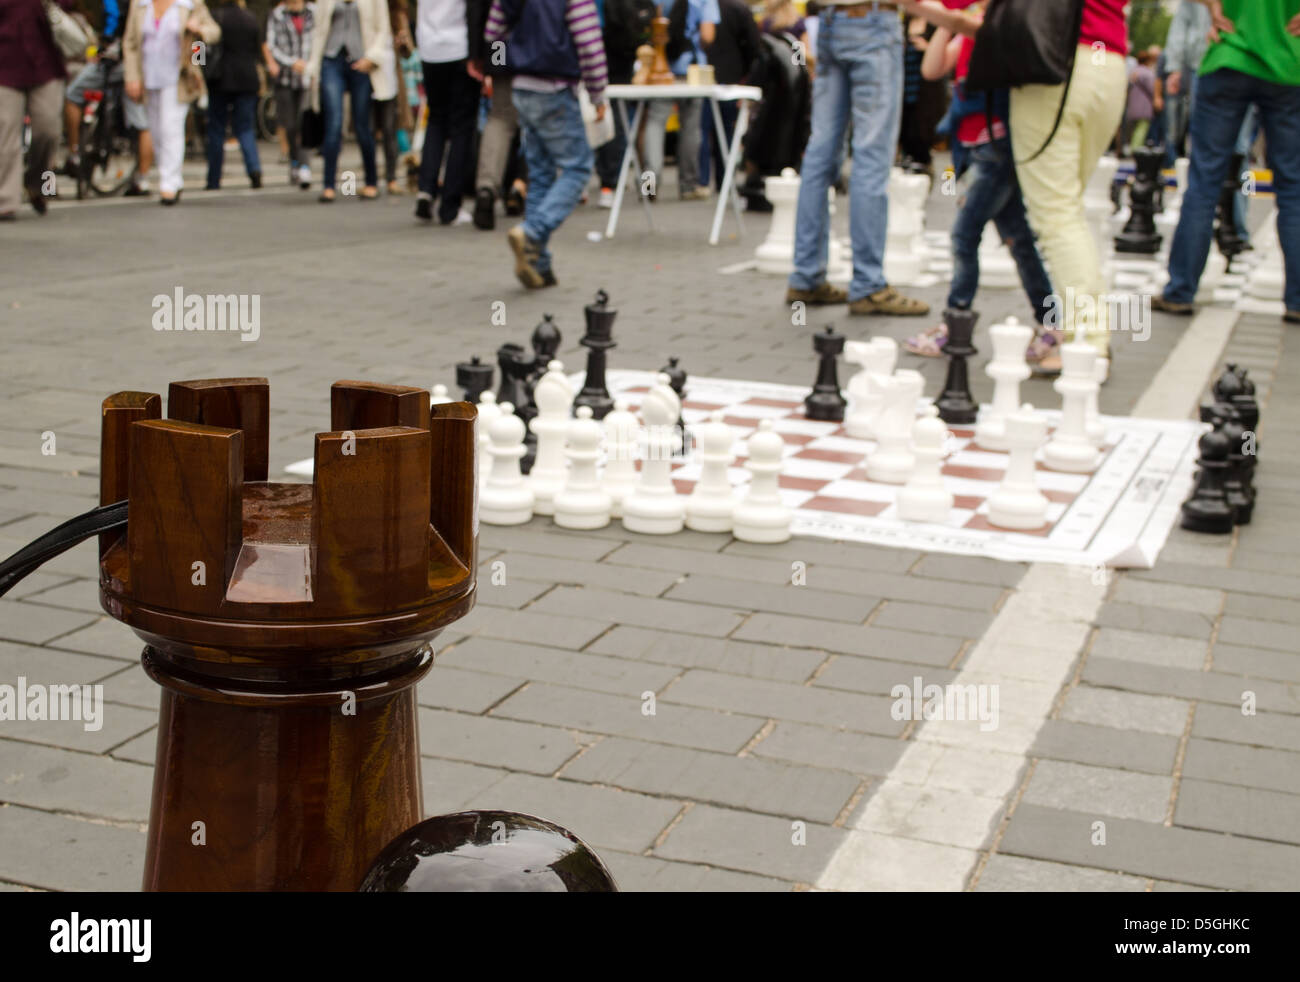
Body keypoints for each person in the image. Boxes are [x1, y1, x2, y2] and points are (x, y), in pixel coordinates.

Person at [913, 0, 1128, 369]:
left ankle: (1086, 344)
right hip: (1109, 65)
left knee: (1056, 218)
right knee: (1057, 217)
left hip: (1055, 63)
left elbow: (950, 7)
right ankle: (1070, 329)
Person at [903, 6, 1056, 365]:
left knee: (964, 236)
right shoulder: (968, 26)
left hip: (995, 151)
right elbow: (932, 68)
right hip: (975, 152)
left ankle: (955, 324)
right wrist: (948, 21)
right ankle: (1053, 324)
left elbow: (963, 26)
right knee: (1020, 241)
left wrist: (944, 13)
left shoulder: (996, 24)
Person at [1153, 0, 1299, 324]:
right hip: (1288, 62)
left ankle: (1180, 291)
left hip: (1228, 56)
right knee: (1293, 188)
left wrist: (1214, 8)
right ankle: (1297, 300)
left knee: (1205, 180)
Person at [784, 3, 930, 318]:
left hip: (829, 21)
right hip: (873, 20)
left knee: (820, 151)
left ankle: (806, 275)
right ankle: (868, 284)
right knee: (871, 155)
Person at [484, 0, 608, 288]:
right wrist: (597, 93)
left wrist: (504, 69)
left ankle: (538, 263)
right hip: (556, 89)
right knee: (578, 169)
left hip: (522, 87)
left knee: (540, 174)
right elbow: (589, 44)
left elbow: (492, 33)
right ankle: (532, 232)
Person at [124, 0, 223, 206]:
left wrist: (200, 30)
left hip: (178, 77)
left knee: (171, 127)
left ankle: (169, 182)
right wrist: (132, 77)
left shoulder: (189, 4)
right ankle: (170, 177)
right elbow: (131, 43)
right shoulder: (140, 4)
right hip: (148, 76)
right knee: (157, 131)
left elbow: (214, 32)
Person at [63, 0, 154, 196]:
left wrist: (104, 44)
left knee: (72, 95)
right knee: (142, 122)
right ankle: (142, 179)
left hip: (119, 60)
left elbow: (112, 20)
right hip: (141, 61)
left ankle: (74, 152)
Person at [307, 0, 393, 202]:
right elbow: (318, 30)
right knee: (334, 122)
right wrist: (313, 64)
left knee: (362, 125)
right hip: (331, 60)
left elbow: (383, 28)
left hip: (361, 61)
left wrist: (372, 57)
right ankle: (328, 184)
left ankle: (371, 182)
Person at [412, 0, 479, 223]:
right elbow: (477, 9)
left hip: (429, 49)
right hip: (458, 48)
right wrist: (487, 58)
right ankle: (450, 206)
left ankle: (426, 190)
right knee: (461, 128)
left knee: (436, 120)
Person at [643, 0, 716, 201]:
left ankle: (649, 184)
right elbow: (708, 35)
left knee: (655, 123)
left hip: (661, 67)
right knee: (691, 128)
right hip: (692, 71)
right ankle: (688, 185)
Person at [593, 0, 653, 208]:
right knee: (642, 129)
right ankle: (638, 187)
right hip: (625, 70)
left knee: (621, 127)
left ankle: (609, 184)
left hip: (608, 70)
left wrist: (497, 68)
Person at [699, 0, 761, 191]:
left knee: (701, 130)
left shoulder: (701, 5)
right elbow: (753, 46)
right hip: (730, 77)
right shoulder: (739, 9)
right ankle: (724, 179)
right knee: (725, 130)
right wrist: (747, 74)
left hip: (701, 74)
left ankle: (700, 181)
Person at [206, 0, 263, 189]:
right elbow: (257, 51)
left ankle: (214, 178)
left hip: (219, 80)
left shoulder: (215, 17)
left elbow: (198, 43)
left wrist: (197, 65)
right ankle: (254, 168)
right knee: (245, 127)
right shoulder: (251, 19)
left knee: (216, 129)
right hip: (247, 79)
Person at [266, 0, 315, 188]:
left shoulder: (314, 13)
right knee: (290, 126)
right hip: (285, 79)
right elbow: (271, 46)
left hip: (307, 78)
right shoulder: (276, 14)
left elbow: (320, 39)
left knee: (304, 123)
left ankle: (304, 166)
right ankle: (294, 162)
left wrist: (310, 65)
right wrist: (292, 62)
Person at [1163, 0, 1211, 164]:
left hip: (1205, 63)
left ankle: (1205, 186)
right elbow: (1179, 28)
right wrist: (1175, 67)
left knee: (1201, 128)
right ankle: (1238, 188)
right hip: (1204, 63)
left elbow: (1179, 29)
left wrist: (1175, 68)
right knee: (1237, 139)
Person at [1120, 47, 1157, 156]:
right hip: (1144, 106)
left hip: (1132, 105)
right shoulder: (1147, 73)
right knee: (1142, 128)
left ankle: (1133, 148)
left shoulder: (1133, 72)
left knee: (1134, 129)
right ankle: (1135, 150)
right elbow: (1152, 89)